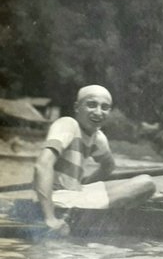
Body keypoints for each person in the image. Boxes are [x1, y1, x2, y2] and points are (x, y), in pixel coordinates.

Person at [33, 85, 156, 234]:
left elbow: (108, 166)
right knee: (146, 183)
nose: (98, 112)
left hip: (75, 194)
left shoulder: (98, 137)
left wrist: (83, 184)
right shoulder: (67, 124)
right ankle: (101, 216)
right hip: (58, 200)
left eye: (104, 107)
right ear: (77, 107)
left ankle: (98, 211)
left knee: (144, 182)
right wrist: (50, 218)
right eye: (92, 105)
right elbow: (42, 165)